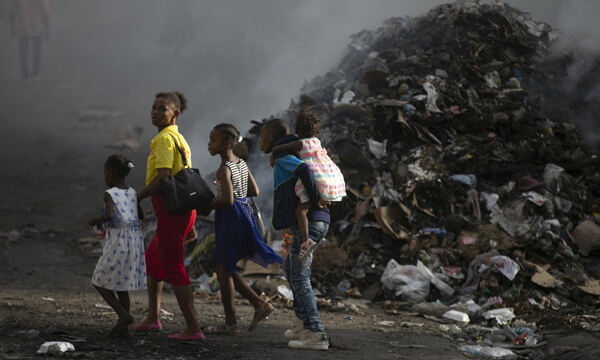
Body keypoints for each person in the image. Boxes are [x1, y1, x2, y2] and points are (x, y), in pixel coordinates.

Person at [134, 92, 204, 341]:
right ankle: (153, 318)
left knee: (174, 268)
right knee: (154, 260)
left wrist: (138, 196)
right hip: (183, 211)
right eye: (153, 107)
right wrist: (191, 224)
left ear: (175, 113)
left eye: (161, 108)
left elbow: (164, 176)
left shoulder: (164, 139)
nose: (154, 112)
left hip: (172, 212)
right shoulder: (179, 138)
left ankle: (194, 328)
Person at [201, 123, 283, 335]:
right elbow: (253, 191)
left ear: (227, 143)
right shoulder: (241, 164)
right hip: (244, 212)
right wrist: (237, 193)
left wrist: (207, 205)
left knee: (223, 268)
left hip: (230, 217)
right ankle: (258, 305)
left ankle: (231, 323)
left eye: (213, 140)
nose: (209, 144)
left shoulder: (223, 169)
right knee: (226, 267)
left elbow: (227, 200)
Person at [259, 118, 331, 350]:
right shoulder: (292, 149)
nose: (260, 141)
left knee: (299, 275)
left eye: (262, 137)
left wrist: (314, 198)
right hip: (314, 222)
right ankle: (302, 322)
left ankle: (316, 333)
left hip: (310, 223)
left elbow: (304, 169)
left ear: (272, 137)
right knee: (290, 268)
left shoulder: (282, 156)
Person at [270, 111, 346, 259]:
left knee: (300, 211)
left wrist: (274, 151)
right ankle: (324, 199)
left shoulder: (300, 143)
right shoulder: (317, 142)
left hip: (315, 176)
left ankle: (306, 242)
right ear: (317, 131)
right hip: (325, 175)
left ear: (297, 130)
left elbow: (285, 148)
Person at [89, 154, 146, 338]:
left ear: (110, 173)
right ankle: (124, 331)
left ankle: (123, 315)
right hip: (134, 242)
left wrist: (95, 219)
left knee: (99, 279)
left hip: (118, 242)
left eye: (105, 172)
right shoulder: (132, 192)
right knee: (122, 287)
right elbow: (140, 216)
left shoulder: (109, 194)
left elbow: (109, 215)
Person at [9, 0, 50, 83]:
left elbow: (12, 12)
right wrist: (48, 30)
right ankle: (36, 74)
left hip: (23, 27)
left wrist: (12, 28)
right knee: (37, 50)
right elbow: (46, 13)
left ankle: (26, 76)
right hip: (37, 26)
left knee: (23, 52)